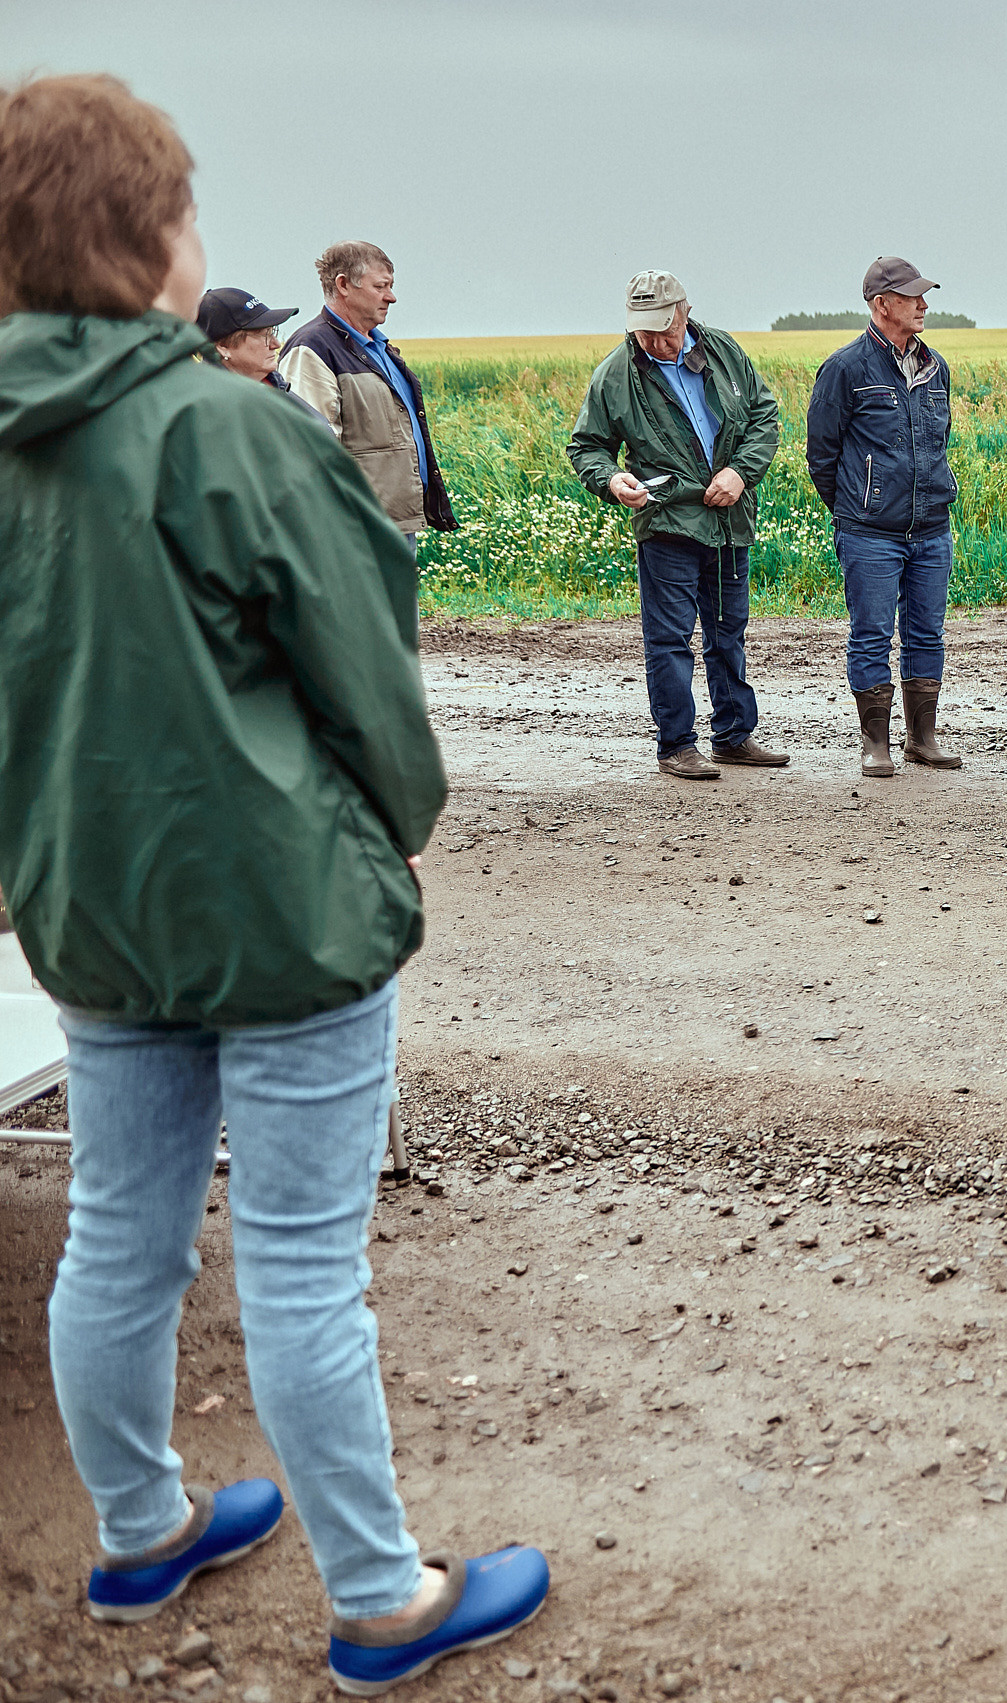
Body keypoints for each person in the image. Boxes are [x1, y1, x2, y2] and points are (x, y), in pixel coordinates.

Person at [0, 73, 546, 1690]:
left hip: (91, 910)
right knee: (302, 1261)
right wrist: (400, 822)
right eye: (184, 212)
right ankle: (381, 1595)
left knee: (119, 1232)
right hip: (284, 907)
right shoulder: (225, 425)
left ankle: (138, 1527)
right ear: (146, 234)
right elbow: (365, 673)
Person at [566, 271, 787, 781]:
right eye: (643, 330)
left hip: (729, 517)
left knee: (728, 632)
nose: (655, 340)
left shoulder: (725, 352)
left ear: (684, 312)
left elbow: (764, 417)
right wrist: (613, 479)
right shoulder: (615, 374)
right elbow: (587, 448)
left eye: (663, 328)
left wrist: (740, 471)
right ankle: (676, 746)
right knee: (668, 639)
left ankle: (734, 737)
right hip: (666, 522)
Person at [806, 256, 961, 779]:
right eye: (912, 296)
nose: (923, 305)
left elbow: (938, 442)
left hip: (931, 528)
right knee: (871, 634)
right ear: (882, 305)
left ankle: (923, 738)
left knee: (927, 634)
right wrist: (858, 506)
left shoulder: (936, 365)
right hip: (869, 532)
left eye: (923, 295)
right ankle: (877, 745)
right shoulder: (845, 369)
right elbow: (822, 456)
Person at [276, 240, 454, 541]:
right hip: (355, 529)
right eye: (381, 286)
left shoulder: (379, 347)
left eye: (391, 285)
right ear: (343, 285)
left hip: (391, 523)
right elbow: (308, 448)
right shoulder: (312, 348)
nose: (392, 297)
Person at [193, 286, 311, 410]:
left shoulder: (278, 389)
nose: (275, 344)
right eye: (263, 335)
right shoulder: (209, 409)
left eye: (272, 332)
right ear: (222, 347)